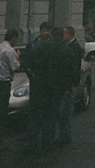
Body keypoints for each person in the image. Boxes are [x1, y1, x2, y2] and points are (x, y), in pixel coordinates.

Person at [25, 26, 75, 154]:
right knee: (51, 116)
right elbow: (71, 71)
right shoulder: (67, 51)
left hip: (39, 87)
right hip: (56, 89)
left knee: (35, 116)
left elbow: (28, 61)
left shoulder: (42, 46)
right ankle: (48, 142)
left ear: (51, 35)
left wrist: (33, 76)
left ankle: (31, 144)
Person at [58, 26, 82, 145]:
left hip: (70, 84)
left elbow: (74, 67)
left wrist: (72, 83)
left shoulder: (74, 47)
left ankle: (65, 136)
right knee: (65, 112)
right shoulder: (72, 46)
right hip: (70, 83)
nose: (63, 36)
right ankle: (64, 135)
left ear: (69, 35)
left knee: (66, 112)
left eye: (64, 34)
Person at [0, 29, 20, 147]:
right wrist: (18, 57)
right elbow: (16, 67)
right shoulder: (10, 50)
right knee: (2, 111)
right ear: (13, 38)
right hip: (4, 83)